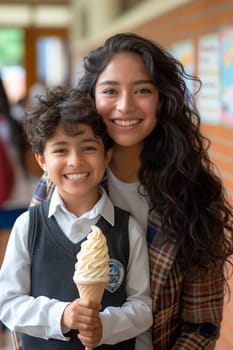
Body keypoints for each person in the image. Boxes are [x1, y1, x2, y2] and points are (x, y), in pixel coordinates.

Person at [30, 33, 233, 349]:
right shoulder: (61, 182)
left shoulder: (196, 195)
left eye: (142, 90)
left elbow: (202, 325)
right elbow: (25, 295)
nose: (125, 106)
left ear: (162, 99)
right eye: (110, 91)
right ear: (92, 98)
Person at [0, 86, 152, 350]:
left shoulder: (127, 229)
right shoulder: (28, 226)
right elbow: (7, 303)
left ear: (107, 155)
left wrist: (106, 325)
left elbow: (142, 308)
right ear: (42, 160)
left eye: (88, 148)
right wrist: (61, 315)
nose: (75, 161)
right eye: (60, 151)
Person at [0, 75, 40, 347]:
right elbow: (36, 168)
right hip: (27, 207)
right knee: (18, 279)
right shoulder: (16, 121)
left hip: (4, 209)